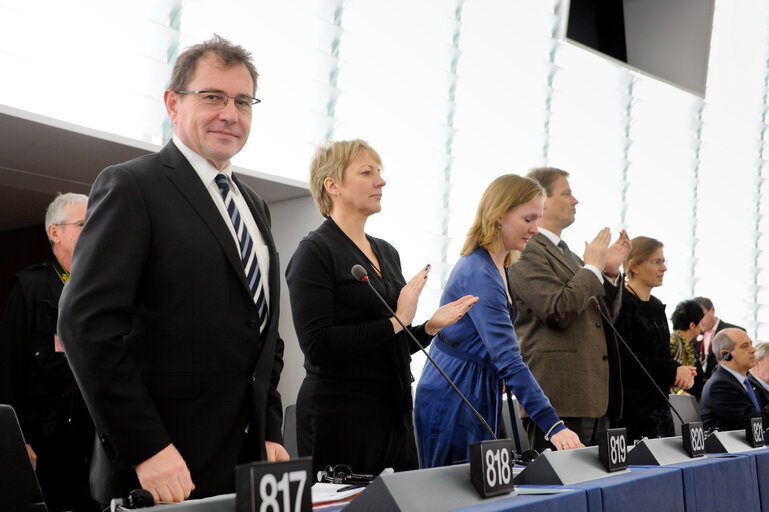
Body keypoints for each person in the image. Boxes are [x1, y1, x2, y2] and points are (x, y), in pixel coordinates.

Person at [57, 36, 287, 505]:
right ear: (172, 103)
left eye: (243, 101)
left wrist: (269, 429)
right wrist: (146, 447)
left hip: (247, 466)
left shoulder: (255, 206)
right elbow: (87, 326)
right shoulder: (132, 186)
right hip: (162, 470)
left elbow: (262, 334)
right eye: (213, 97)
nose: (230, 113)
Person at [285, 139, 477, 476]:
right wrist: (398, 320)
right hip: (341, 416)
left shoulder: (387, 252)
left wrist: (429, 327)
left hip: (393, 411)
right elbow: (318, 346)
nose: (381, 181)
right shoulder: (314, 252)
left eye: (380, 172)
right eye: (367, 172)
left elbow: (390, 344)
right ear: (333, 186)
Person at [414, 174, 584, 468]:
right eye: (528, 219)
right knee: (457, 495)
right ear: (498, 216)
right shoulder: (480, 273)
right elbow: (509, 359)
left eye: (538, 218)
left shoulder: (499, 264)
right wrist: (553, 426)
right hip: (454, 392)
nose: (535, 228)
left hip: (474, 385)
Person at [507, 167, 630, 451]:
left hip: (593, 396)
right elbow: (556, 311)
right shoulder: (525, 249)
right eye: (567, 193)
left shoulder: (571, 255)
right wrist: (593, 268)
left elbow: (601, 318)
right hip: (558, 400)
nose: (575, 201)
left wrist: (608, 274)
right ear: (541, 200)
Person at [0, 193, 98, 512]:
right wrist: (19, 441)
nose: (95, 229)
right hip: (44, 441)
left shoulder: (103, 289)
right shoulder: (29, 287)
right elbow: (8, 368)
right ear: (55, 232)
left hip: (93, 442)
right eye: (85, 224)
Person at [614, 237, 696, 441]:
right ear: (634, 266)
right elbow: (626, 358)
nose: (664, 268)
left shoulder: (657, 305)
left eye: (664, 261)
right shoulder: (622, 302)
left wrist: (679, 370)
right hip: (632, 410)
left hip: (659, 405)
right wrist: (673, 369)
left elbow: (660, 356)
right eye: (656, 262)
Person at [701, 329, 769, 432]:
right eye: (745, 346)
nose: (753, 350)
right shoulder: (720, 386)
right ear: (725, 355)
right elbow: (757, 425)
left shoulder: (745, 383)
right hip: (730, 447)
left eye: (751, 344)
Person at [693, 296, 745, 381]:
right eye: (695, 317)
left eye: (701, 316)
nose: (699, 321)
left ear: (712, 310)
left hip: (723, 383)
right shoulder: (693, 333)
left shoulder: (734, 332)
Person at [669, 300, 705, 399]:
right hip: (679, 403)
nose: (701, 327)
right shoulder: (672, 343)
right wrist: (679, 394)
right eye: (700, 322)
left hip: (689, 401)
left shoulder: (690, 345)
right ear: (692, 325)